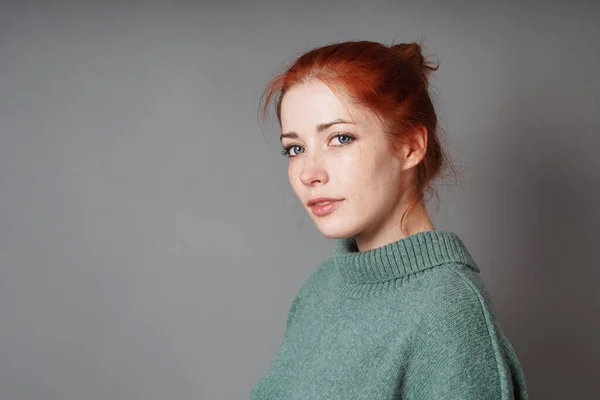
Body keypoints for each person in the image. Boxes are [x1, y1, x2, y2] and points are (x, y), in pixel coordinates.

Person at [250, 40, 528, 399]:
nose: (308, 173)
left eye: (340, 138)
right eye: (296, 148)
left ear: (410, 147)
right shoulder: (321, 290)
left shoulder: (448, 310)